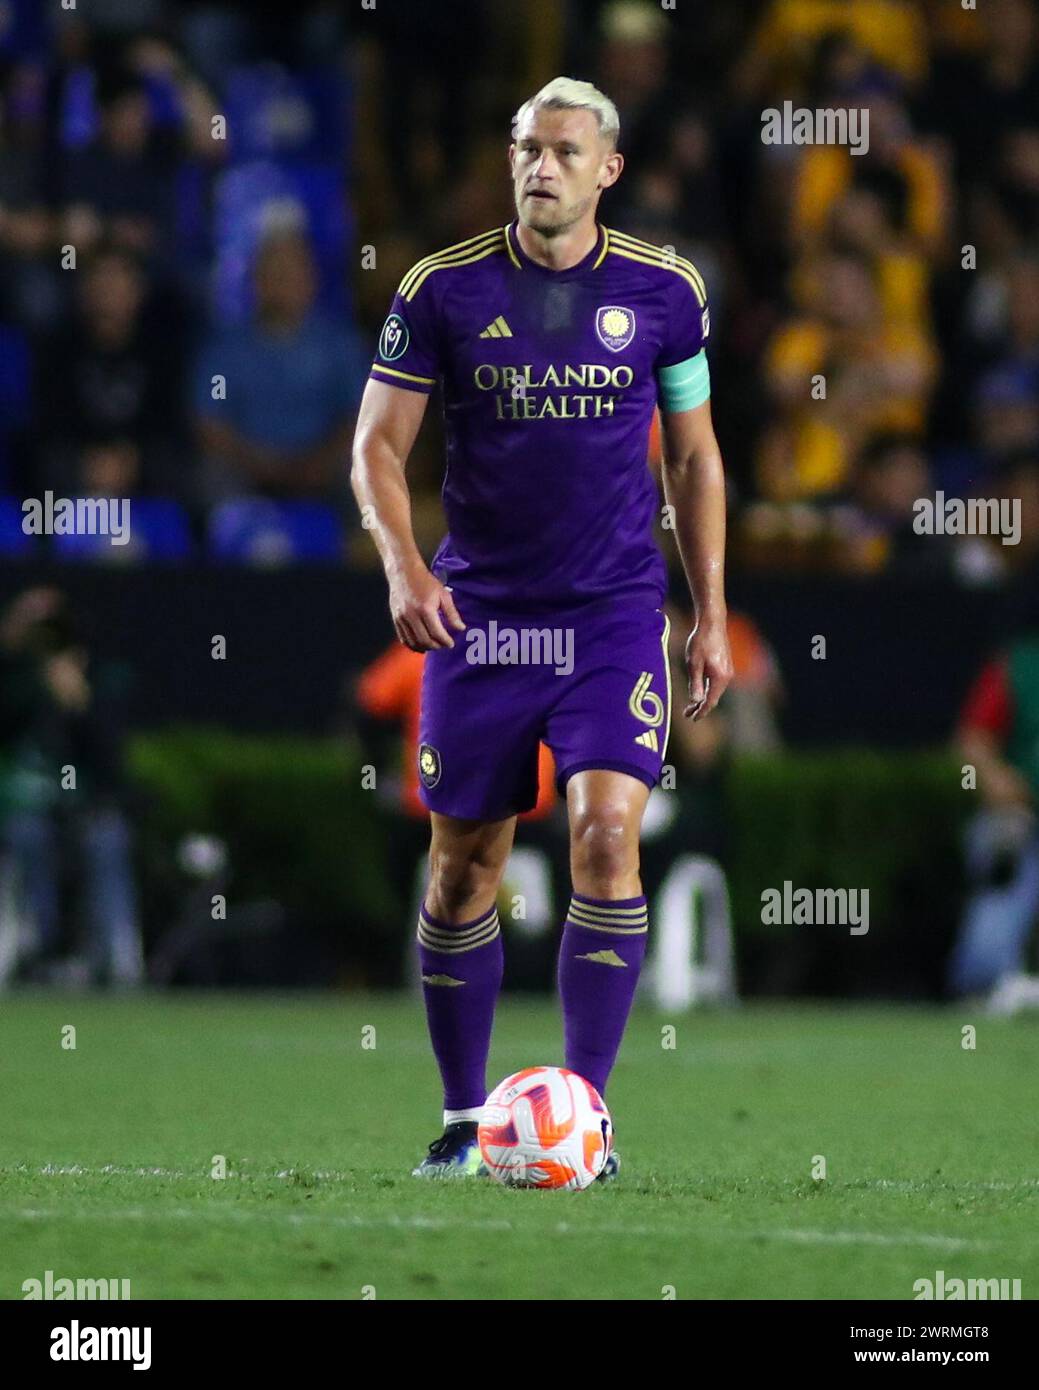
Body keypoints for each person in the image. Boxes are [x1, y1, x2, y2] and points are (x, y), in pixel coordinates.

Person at [352, 77, 731, 1180]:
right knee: (464, 866)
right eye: (526, 147)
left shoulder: (665, 293)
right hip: (482, 617)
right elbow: (377, 446)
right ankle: (465, 1121)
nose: (540, 167)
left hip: (611, 614)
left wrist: (709, 611)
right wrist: (404, 567)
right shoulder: (442, 290)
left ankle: (587, 1119)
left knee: (607, 836)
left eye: (564, 150)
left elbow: (698, 457)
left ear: (607, 168)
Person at [947, 587, 1039, 1010]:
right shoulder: (1018, 664)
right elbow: (971, 744)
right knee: (1001, 844)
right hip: (1023, 820)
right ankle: (982, 982)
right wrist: (995, 778)